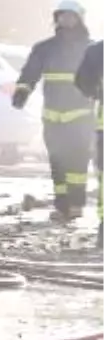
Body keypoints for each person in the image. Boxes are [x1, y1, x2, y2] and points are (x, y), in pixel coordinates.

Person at [13, 0, 95, 222]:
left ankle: (77, 205)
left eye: (71, 15)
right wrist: (22, 90)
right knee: (57, 163)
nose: (66, 19)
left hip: (81, 117)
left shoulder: (91, 48)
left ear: (79, 19)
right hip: (52, 117)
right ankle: (62, 207)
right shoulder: (44, 48)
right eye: (62, 15)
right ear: (56, 18)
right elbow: (30, 73)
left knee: (77, 164)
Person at [74, 36, 104, 247]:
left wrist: (95, 93)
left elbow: (82, 82)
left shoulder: (97, 50)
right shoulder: (97, 51)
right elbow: (82, 81)